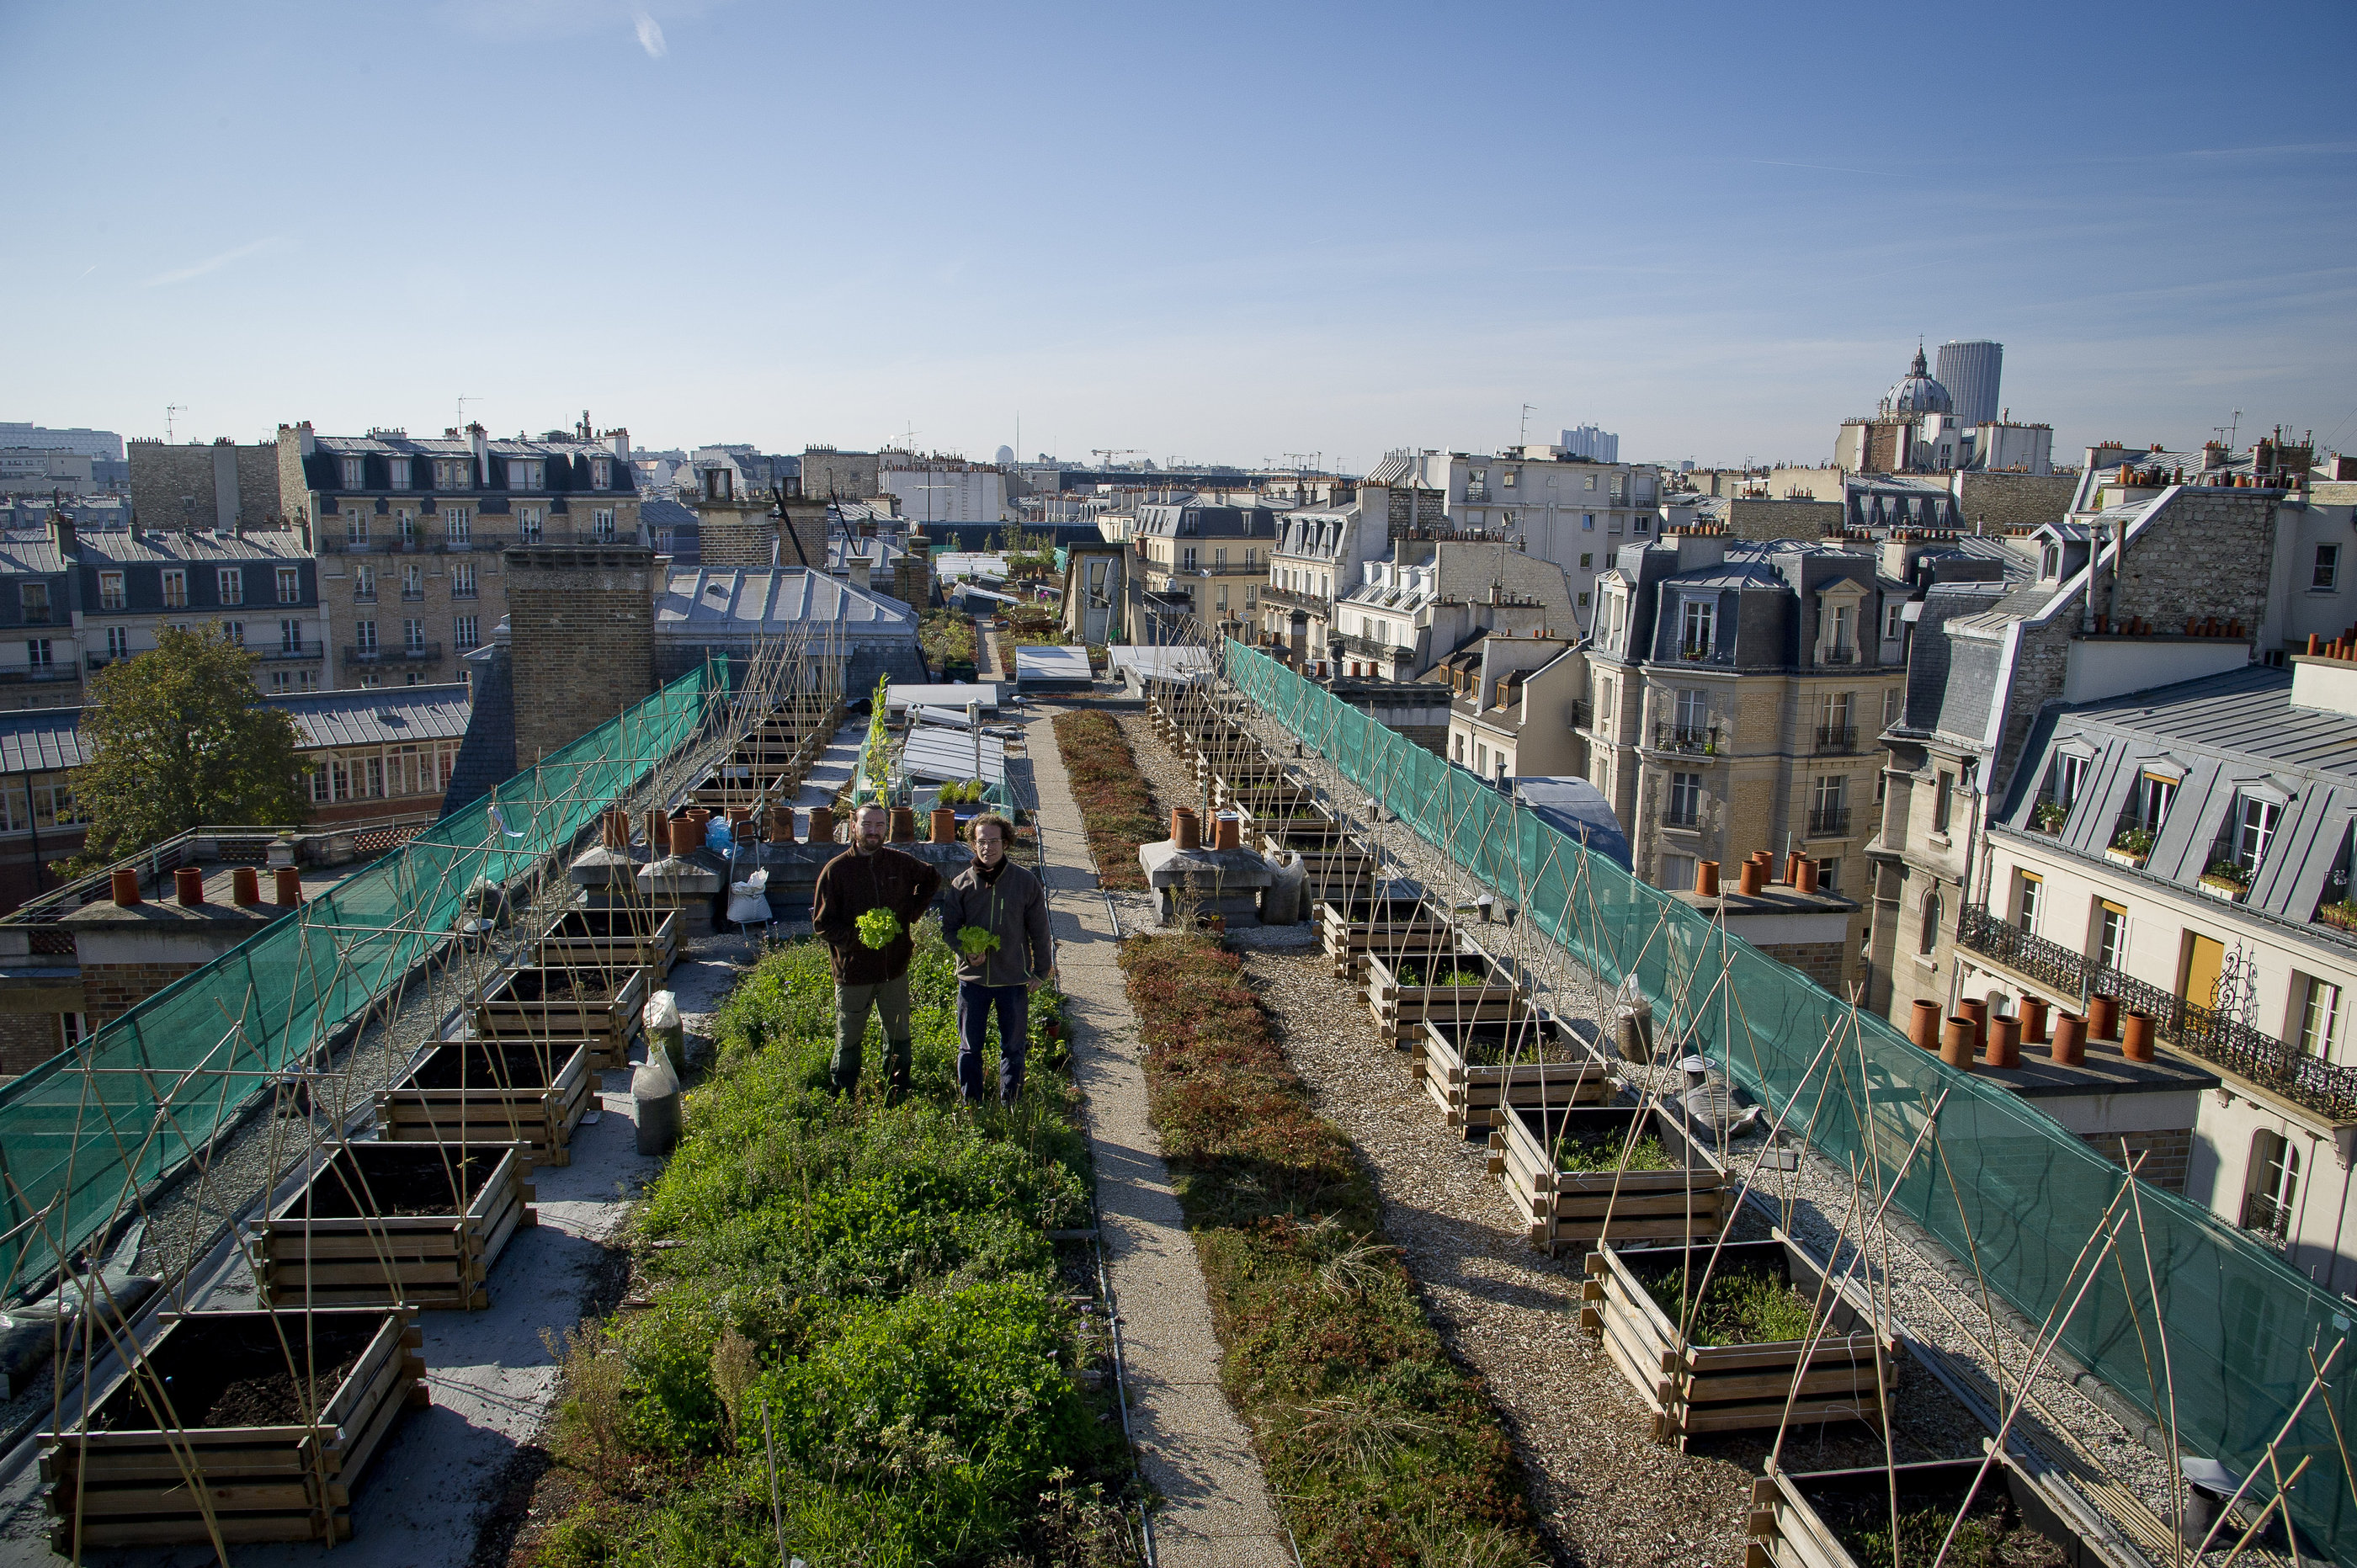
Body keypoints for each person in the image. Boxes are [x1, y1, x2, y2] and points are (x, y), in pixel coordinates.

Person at [811, 800, 942, 1101]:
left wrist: (910, 913)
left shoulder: (899, 863)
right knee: (849, 1036)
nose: (873, 831)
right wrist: (856, 939)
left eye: (880, 825)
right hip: (853, 972)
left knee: (898, 1033)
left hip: (894, 968)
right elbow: (822, 924)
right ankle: (843, 1094)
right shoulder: (837, 871)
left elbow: (931, 878)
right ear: (853, 826)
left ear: (887, 828)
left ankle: (897, 1090)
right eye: (867, 824)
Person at [937, 811, 1054, 1105]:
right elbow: (949, 930)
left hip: (1012, 979)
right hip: (972, 981)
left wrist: (1041, 970)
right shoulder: (961, 885)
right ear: (973, 844)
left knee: (1013, 1048)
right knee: (969, 1047)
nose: (987, 848)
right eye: (981, 842)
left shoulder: (1025, 883)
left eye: (993, 841)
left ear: (1006, 842)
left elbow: (1039, 931)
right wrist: (966, 952)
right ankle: (971, 1104)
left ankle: (1010, 1103)